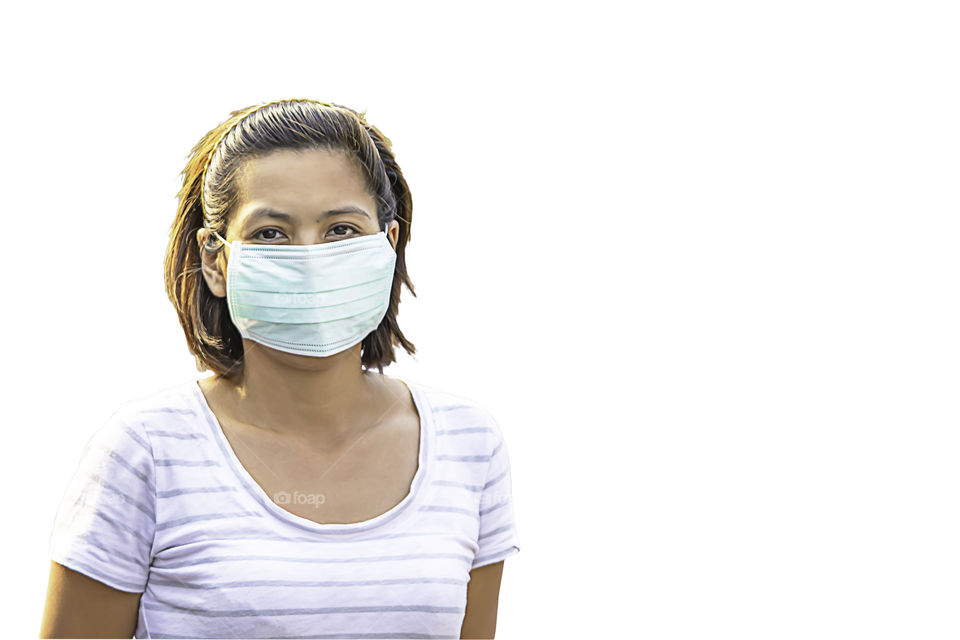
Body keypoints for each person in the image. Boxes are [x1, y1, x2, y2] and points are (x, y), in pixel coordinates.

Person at [39, 98, 521, 639]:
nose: (310, 258)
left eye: (341, 229)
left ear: (388, 245)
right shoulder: (145, 451)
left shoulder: (468, 444)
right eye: (271, 232)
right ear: (216, 261)